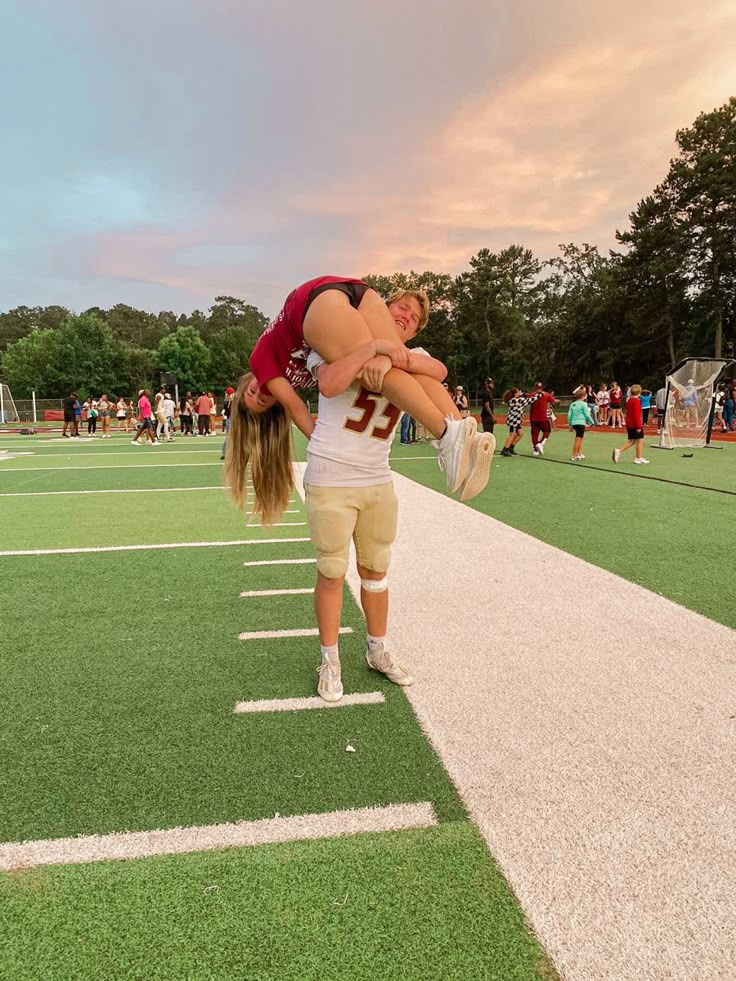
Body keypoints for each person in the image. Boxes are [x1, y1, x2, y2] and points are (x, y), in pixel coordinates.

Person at [231, 278, 490, 516]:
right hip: (358, 294)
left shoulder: (261, 360)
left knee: (374, 368)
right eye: (263, 400)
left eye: (252, 391)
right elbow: (304, 401)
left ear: (246, 383)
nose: (261, 392)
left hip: (311, 304)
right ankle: (464, 435)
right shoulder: (302, 372)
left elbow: (298, 408)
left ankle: (447, 435)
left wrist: (376, 350)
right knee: (397, 364)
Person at [499, 388, 542, 456]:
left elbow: (523, 398)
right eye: (518, 392)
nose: (519, 392)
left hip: (515, 420)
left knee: (520, 433)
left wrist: (525, 394)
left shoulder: (514, 400)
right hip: (514, 420)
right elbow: (530, 400)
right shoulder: (517, 400)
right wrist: (539, 395)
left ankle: (511, 448)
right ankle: (505, 449)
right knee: (512, 435)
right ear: (515, 394)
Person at [612, 384, 648, 464]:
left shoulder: (630, 400)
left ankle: (619, 451)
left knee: (632, 441)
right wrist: (639, 426)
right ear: (639, 392)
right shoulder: (636, 401)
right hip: (635, 424)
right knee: (640, 440)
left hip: (630, 424)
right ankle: (638, 457)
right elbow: (636, 415)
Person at [528, 383, 557, 456]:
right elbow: (553, 401)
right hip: (543, 417)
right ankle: (540, 443)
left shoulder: (532, 394)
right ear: (542, 387)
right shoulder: (546, 394)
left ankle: (535, 449)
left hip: (533, 418)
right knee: (547, 430)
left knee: (534, 433)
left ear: (535, 387)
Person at [568, 386, 595, 460]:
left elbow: (569, 415)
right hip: (581, 423)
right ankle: (574, 455)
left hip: (574, 423)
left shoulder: (572, 404)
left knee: (580, 439)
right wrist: (592, 422)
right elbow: (587, 415)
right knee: (578, 439)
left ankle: (578, 453)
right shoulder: (583, 404)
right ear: (583, 396)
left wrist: (570, 425)